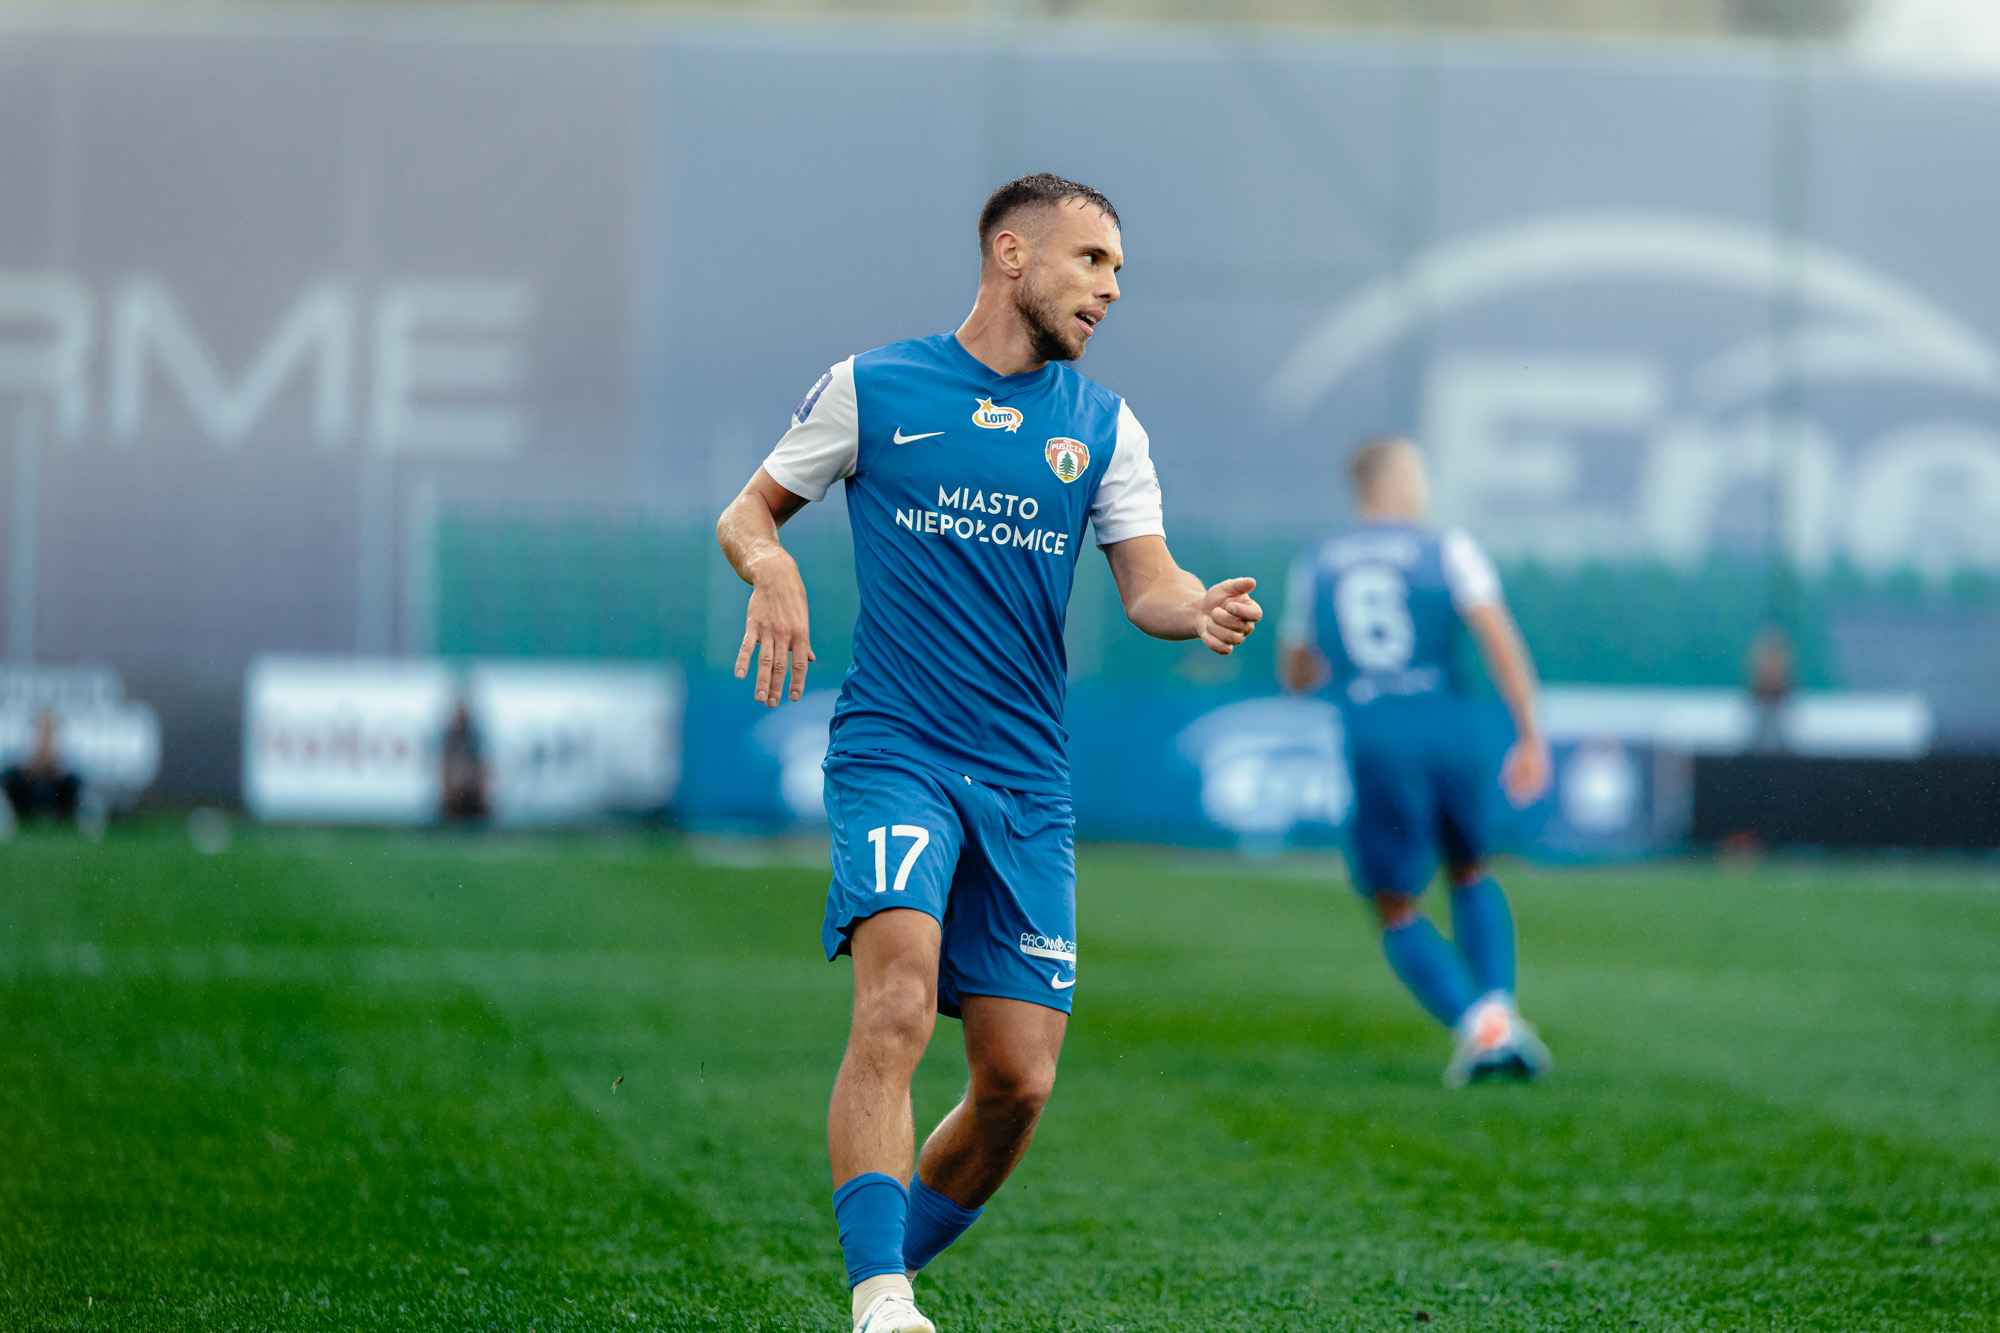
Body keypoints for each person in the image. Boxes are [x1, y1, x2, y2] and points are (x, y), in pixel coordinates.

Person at [715, 173, 1263, 1333]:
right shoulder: (872, 387)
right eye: (1091, 261)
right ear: (1011, 255)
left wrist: (1196, 607)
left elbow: (1148, 583)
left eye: (1118, 270)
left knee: (1017, 1082)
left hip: (1023, 781)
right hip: (896, 751)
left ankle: (882, 1276)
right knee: (897, 1003)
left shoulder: (1103, 426)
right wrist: (771, 568)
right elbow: (746, 513)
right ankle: (879, 1299)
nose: (1110, 289)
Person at [1277, 436, 1553, 1087]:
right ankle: (1498, 1014)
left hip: (1377, 736)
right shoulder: (1447, 548)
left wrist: (1353, 667)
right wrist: (1529, 732)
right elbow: (1499, 639)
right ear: (1394, 480)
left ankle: (1481, 1027)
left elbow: (1296, 673)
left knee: (1396, 902)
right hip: (1449, 727)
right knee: (1471, 867)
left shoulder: (1317, 563)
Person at [2, 708, 83, 823]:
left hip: (56, 790)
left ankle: (65, 818)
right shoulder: (25, 745)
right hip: (29, 789)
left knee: (71, 782)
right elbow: (19, 770)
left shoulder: (64, 748)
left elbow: (68, 772)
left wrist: (52, 768)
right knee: (12, 778)